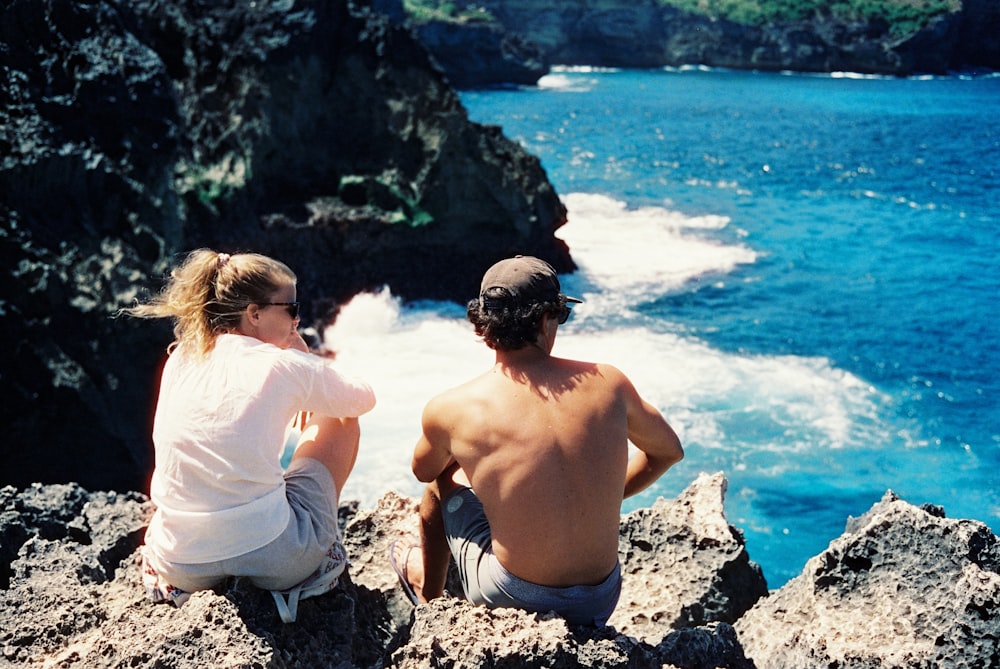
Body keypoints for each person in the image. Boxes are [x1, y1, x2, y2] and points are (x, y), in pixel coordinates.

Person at [390, 255, 683, 626]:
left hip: (513, 598)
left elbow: (424, 471)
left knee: (440, 486)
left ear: (483, 322)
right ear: (546, 321)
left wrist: (468, 449)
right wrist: (601, 495)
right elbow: (668, 452)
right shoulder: (610, 383)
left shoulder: (452, 408)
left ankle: (429, 598)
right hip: (600, 599)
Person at [126, 248, 376, 622]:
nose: (298, 319)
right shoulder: (282, 364)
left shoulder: (180, 358)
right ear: (254, 313)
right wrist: (304, 359)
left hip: (182, 562)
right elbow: (362, 398)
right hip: (277, 558)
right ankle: (319, 554)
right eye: (290, 309)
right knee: (342, 419)